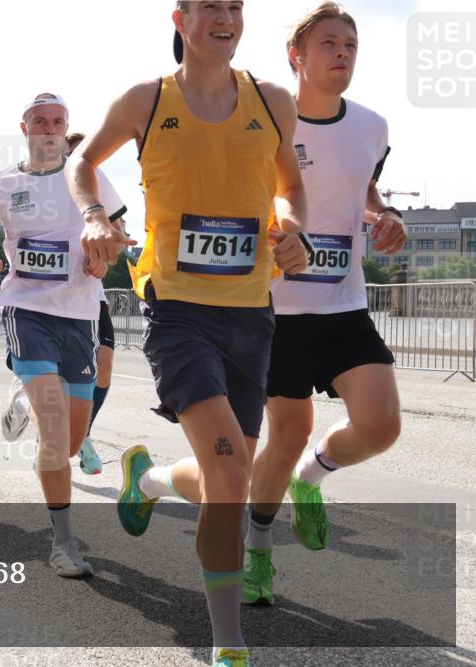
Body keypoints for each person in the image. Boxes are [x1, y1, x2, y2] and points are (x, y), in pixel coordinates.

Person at [67, 1, 310, 662]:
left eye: (236, 6)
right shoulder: (148, 100)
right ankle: (227, 644)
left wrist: (292, 229)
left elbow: (289, 186)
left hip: (252, 311)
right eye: (211, 6)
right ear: (181, 18)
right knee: (232, 479)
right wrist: (93, 215)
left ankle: (145, 480)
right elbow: (81, 163)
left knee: (224, 472)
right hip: (177, 308)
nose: (226, 17)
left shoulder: (274, 100)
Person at [242, 2, 406, 608]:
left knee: (382, 425)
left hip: (344, 303)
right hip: (277, 309)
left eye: (352, 44)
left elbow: (363, 188)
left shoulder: (373, 126)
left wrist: (383, 216)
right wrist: (275, 233)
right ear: (298, 58)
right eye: (331, 43)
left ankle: (311, 479)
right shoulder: (264, 122)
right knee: (284, 434)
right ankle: (256, 551)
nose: (343, 53)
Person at [0, 93, 126, 578]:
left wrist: (105, 257)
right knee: (54, 433)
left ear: (66, 128)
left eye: (58, 121)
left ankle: (23, 399)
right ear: (25, 128)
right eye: (41, 121)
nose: (50, 129)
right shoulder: (3, 183)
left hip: (79, 316)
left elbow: (117, 233)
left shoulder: (88, 176)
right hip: (26, 308)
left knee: (72, 443)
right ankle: (64, 543)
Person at [0, 130, 126, 476]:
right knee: (49, 381)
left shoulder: (98, 186)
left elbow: (119, 232)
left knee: (105, 366)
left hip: (87, 296)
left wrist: (105, 256)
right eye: (75, 153)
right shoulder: (36, 187)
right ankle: (28, 402)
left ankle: (82, 434)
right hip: (39, 301)